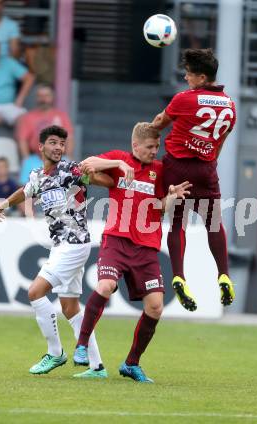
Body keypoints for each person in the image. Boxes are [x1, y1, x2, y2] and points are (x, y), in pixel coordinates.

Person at [0, 125, 114, 378]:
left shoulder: (71, 170)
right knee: (70, 307)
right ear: (41, 147)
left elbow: (107, 181)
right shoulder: (37, 176)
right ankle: (97, 366)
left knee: (35, 292)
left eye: (62, 144)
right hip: (62, 246)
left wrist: (103, 172)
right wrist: (1, 206)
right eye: (54, 142)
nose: (59, 147)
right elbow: (25, 192)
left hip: (74, 244)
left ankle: (55, 353)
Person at [74, 122, 191, 383]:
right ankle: (81, 345)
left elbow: (161, 209)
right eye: (150, 147)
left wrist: (171, 197)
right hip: (117, 239)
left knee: (156, 306)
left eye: (157, 146)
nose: (154, 151)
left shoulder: (160, 171)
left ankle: (131, 363)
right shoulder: (120, 159)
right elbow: (85, 165)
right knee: (105, 286)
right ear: (135, 145)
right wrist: (119, 165)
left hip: (147, 247)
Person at [151, 48, 237, 311]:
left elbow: (159, 122)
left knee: (177, 224)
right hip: (207, 169)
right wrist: (210, 161)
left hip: (177, 166)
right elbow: (219, 142)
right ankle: (223, 274)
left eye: (189, 75)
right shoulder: (230, 106)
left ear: (201, 77)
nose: (186, 78)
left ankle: (178, 275)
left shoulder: (184, 99)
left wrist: (147, 134)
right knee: (214, 224)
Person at [16, 85, 74, 160]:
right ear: (36, 98)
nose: (43, 99)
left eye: (46, 96)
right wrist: (27, 160)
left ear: (52, 97)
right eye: (40, 96)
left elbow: (69, 138)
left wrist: (68, 157)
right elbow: (22, 140)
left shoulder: (62, 116)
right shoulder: (28, 117)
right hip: (36, 159)